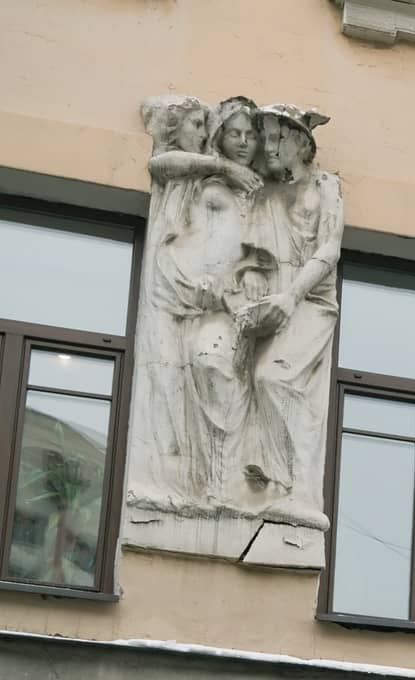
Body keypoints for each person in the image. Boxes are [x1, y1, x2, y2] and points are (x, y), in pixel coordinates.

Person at [129, 95, 261, 510]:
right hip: (181, 292)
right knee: (170, 383)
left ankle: (220, 485)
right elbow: (162, 164)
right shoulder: (196, 180)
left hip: (225, 302)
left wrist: (254, 269)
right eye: (233, 133)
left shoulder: (255, 191)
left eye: (251, 135)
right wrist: (223, 168)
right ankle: (183, 483)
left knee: (213, 365)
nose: (243, 142)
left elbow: (262, 244)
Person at [232, 103, 343, 528]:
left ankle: (294, 488)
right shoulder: (264, 194)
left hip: (311, 300)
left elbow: (328, 250)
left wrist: (290, 297)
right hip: (276, 300)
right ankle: (268, 474)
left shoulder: (326, 186)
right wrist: (254, 283)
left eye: (278, 137)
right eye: (267, 137)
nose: (269, 146)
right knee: (253, 376)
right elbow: (252, 258)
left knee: (274, 378)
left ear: (301, 143)